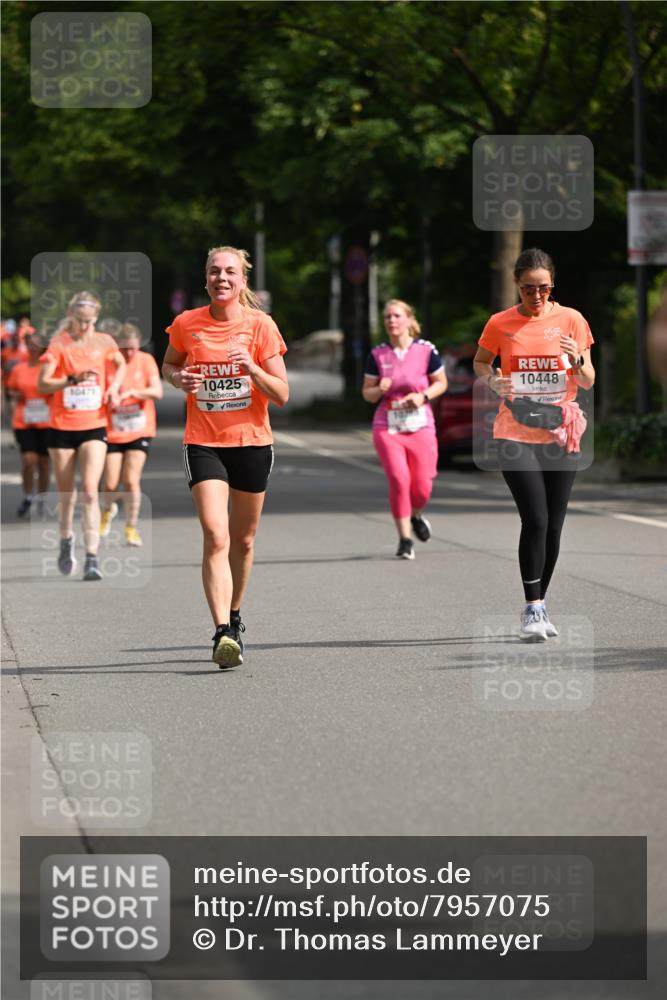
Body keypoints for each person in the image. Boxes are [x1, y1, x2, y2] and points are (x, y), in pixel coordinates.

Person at [162, 245, 288, 668]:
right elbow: (169, 365)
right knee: (216, 535)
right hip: (204, 442)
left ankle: (235, 616)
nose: (222, 278)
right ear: (206, 279)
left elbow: (282, 393)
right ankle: (221, 632)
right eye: (215, 271)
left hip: (252, 442)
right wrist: (179, 378)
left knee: (244, 539)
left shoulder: (260, 326)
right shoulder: (187, 324)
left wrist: (252, 368)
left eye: (230, 272)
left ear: (242, 280)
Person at [473, 247, 595, 641]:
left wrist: (577, 360)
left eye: (543, 288)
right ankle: (532, 607)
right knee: (536, 520)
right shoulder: (500, 323)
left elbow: (588, 380)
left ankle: (540, 602)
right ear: (517, 285)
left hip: (560, 432)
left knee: (554, 526)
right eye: (528, 288)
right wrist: (493, 380)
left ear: (552, 284)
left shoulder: (572, 320)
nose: (537, 295)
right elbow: (481, 362)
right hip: (514, 432)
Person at [38, 291, 125, 580]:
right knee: (68, 495)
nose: (84, 326)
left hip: (94, 424)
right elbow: (43, 383)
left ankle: (91, 557)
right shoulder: (59, 344)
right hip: (62, 427)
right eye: (79, 320)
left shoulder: (105, 342)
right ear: (70, 316)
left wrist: (114, 388)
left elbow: (121, 364)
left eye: (89, 321)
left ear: (96, 318)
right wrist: (72, 380)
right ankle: (66, 540)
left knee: (89, 491)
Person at [362, 299, 447, 559]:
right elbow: (367, 394)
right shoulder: (378, 354)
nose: (392, 321)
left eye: (397, 316)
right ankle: (405, 539)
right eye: (388, 317)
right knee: (399, 480)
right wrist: (379, 389)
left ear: (409, 320)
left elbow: (441, 383)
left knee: (422, 486)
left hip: (420, 425)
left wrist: (423, 396)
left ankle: (416, 514)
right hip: (387, 426)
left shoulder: (426, 350)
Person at [100, 324, 163, 546]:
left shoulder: (145, 360)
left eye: (133, 348)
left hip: (140, 429)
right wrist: (109, 398)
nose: (129, 353)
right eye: (124, 348)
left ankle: (131, 528)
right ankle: (108, 510)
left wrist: (133, 393)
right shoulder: (108, 362)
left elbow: (157, 391)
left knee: (131, 480)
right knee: (110, 483)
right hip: (113, 430)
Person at [6, 331, 51, 517]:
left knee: (43, 463)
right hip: (24, 421)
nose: (33, 347)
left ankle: (42, 498)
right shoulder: (19, 368)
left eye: (37, 344)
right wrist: (18, 394)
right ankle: (28, 496)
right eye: (30, 344)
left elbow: (56, 387)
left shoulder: (49, 366)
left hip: (46, 421)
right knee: (28, 460)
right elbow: (11, 390)